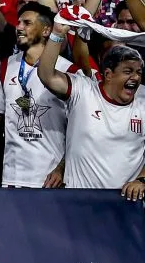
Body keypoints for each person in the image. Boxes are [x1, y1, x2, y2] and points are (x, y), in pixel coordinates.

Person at [39, 22, 145, 195]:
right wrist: (57, 33)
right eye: (128, 71)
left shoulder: (143, 99)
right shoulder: (83, 90)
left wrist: (142, 179)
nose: (135, 77)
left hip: (125, 204)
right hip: (80, 201)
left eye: (139, 72)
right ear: (108, 75)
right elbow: (46, 75)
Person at [0, 2, 73, 188]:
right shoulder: (4, 67)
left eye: (27, 23)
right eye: (18, 23)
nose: (19, 27)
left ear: (46, 31)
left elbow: (80, 130)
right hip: (11, 179)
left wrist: (62, 168)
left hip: (52, 180)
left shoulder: (68, 71)